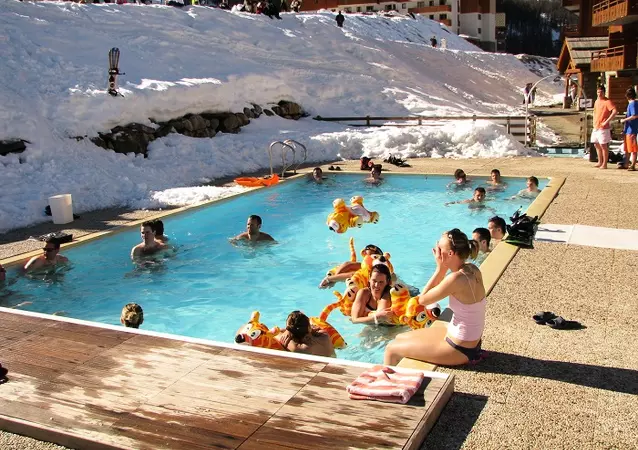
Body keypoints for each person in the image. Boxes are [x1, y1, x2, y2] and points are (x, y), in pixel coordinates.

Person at [384, 229, 485, 366]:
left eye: (440, 248)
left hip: (460, 349)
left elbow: (422, 301)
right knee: (399, 337)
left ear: (450, 253)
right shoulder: (472, 269)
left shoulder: (455, 279)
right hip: (468, 341)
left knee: (391, 349)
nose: (437, 252)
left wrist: (440, 269)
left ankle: (388, 385)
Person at [319, 244, 383, 288]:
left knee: (354, 275)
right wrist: (335, 279)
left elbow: (352, 274)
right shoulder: (364, 264)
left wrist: (330, 279)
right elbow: (348, 265)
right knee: (350, 266)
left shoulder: (378, 263)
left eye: (368, 248)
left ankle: (331, 279)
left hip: (369, 280)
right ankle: (333, 279)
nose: (365, 250)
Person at [591, 85, 618, 170]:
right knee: (596, 144)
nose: (599, 94)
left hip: (603, 127)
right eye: (598, 92)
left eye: (601, 92)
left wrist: (607, 121)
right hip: (596, 126)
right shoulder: (596, 101)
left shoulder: (607, 101)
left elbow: (615, 111)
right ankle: (599, 161)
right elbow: (595, 112)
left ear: (604, 92)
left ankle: (604, 163)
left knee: (603, 145)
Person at [619, 88, 638, 171]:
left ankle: (633, 164)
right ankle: (626, 163)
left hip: (632, 129)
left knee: (633, 148)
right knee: (627, 148)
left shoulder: (632, 104)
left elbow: (635, 115)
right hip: (628, 129)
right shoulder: (633, 103)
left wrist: (624, 120)